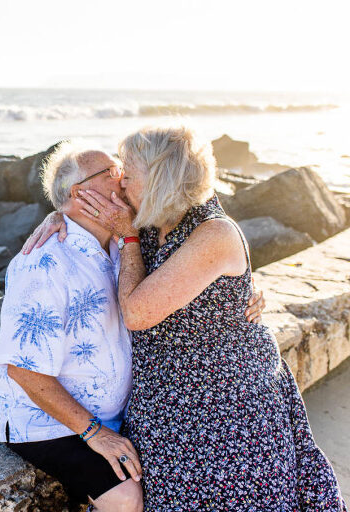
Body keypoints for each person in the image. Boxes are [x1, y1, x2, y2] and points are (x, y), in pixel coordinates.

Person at [24, 126, 346, 511]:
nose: (121, 182)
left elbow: (137, 313)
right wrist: (58, 215)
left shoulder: (212, 231)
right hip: (165, 407)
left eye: (128, 173)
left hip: (227, 405)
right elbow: (85, 210)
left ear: (160, 177)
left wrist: (127, 237)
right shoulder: (150, 219)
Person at [0, 144, 266, 511]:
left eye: (123, 171)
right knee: (126, 497)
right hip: (47, 422)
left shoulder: (128, 241)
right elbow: (23, 369)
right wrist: (94, 433)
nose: (124, 179)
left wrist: (246, 287)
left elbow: (205, 250)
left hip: (120, 414)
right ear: (80, 194)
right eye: (112, 173)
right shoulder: (44, 265)